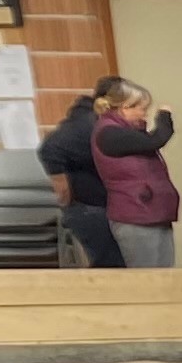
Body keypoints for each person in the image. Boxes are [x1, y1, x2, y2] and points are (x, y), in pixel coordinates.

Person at [90, 84, 182, 266]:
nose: (145, 114)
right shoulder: (109, 134)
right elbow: (156, 140)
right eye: (142, 109)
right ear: (125, 107)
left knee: (165, 275)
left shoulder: (124, 131)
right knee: (147, 278)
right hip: (136, 217)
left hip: (152, 213)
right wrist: (164, 115)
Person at [41, 82, 125, 266]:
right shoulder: (87, 123)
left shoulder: (99, 121)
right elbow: (50, 148)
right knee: (112, 265)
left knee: (117, 264)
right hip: (90, 207)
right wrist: (63, 192)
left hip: (102, 204)